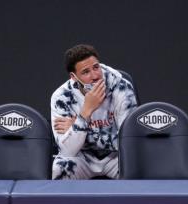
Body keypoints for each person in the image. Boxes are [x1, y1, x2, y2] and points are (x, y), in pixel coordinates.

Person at [50, 44, 137, 179]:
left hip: (115, 158)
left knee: (137, 164)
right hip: (83, 158)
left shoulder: (121, 87)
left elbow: (128, 141)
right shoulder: (62, 97)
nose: (95, 76)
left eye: (96, 67)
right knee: (59, 168)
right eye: (86, 72)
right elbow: (67, 151)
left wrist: (78, 128)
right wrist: (85, 113)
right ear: (73, 77)